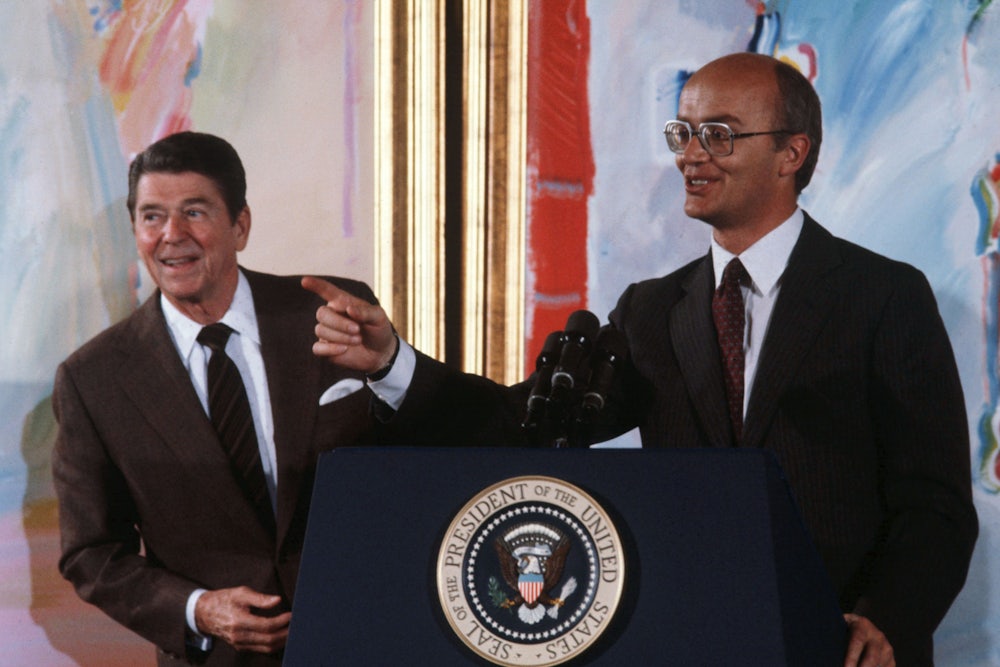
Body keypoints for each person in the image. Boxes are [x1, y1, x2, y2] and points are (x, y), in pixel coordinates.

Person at [305, 53, 978, 666]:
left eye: (718, 134)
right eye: (681, 133)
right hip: (693, 640)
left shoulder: (882, 295)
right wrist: (392, 361)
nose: (692, 155)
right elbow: (522, 421)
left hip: (836, 647)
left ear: (790, 153)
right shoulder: (654, 310)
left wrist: (886, 619)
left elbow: (936, 504)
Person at [52, 131, 400, 666]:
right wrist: (198, 610)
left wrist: (390, 365)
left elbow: (419, 443)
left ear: (240, 225)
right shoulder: (93, 379)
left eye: (194, 212)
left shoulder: (331, 314)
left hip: (365, 641)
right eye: (152, 216)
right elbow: (91, 553)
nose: (172, 235)